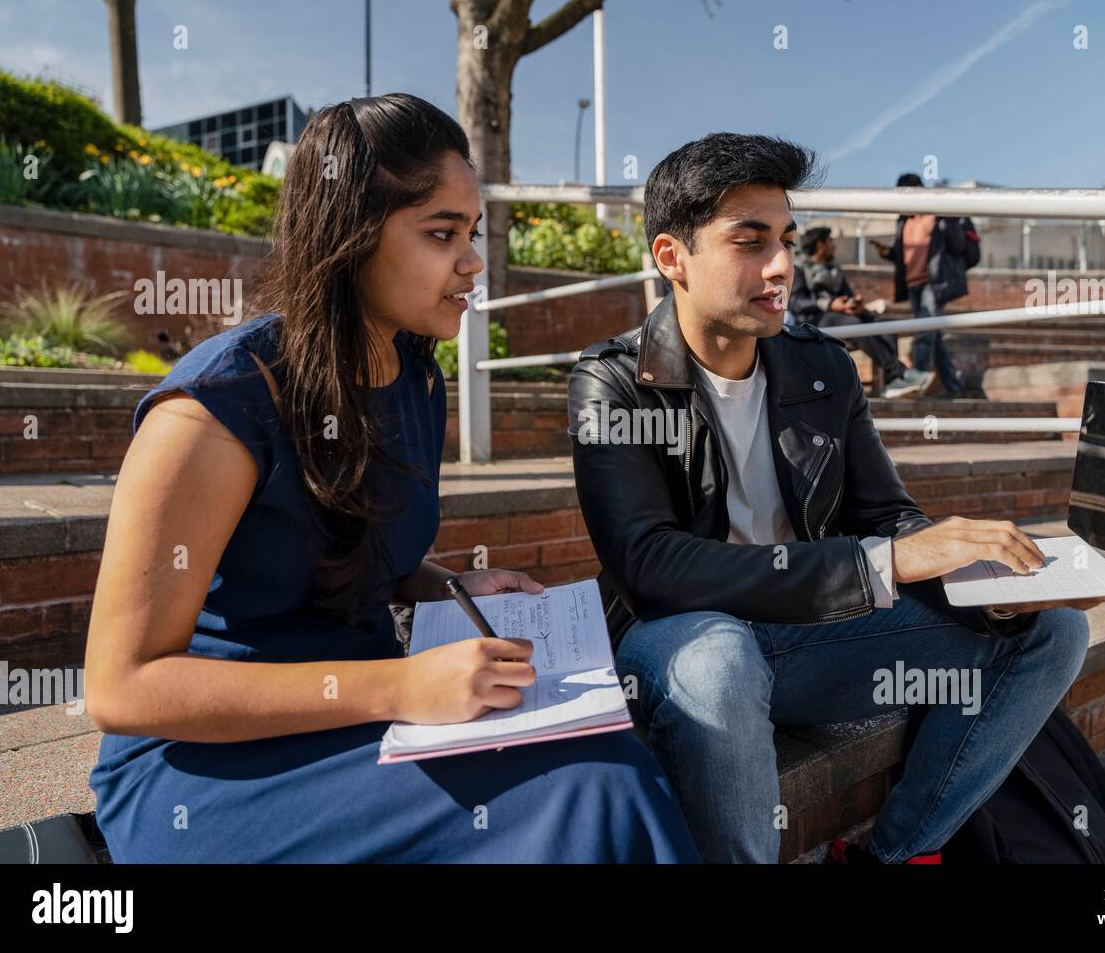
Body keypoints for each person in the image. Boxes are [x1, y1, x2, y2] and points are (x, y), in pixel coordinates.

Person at [84, 94, 700, 864]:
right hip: (211, 766)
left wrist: (446, 586)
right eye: (441, 233)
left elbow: (355, 552)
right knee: (593, 791)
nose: (472, 261)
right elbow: (124, 687)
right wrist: (397, 689)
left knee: (611, 765)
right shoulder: (214, 409)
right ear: (346, 239)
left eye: (471, 232)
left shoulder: (413, 374)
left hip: (364, 715)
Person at [567, 133, 1105, 864]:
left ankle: (896, 854)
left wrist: (988, 587)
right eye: (749, 242)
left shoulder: (822, 368)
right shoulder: (614, 381)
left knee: (1050, 630)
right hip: (680, 643)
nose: (780, 265)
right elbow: (647, 564)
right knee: (719, 661)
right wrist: (881, 562)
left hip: (809, 638)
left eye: (784, 239)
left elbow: (888, 519)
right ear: (671, 258)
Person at [789, 226, 933, 398]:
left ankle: (893, 382)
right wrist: (830, 304)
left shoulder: (834, 270)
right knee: (858, 327)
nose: (834, 246)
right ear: (820, 245)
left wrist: (855, 305)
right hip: (814, 320)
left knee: (886, 326)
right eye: (830, 242)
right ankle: (900, 373)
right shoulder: (798, 269)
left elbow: (847, 295)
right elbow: (796, 302)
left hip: (842, 316)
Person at [872, 173, 970, 399]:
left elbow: (957, 245)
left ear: (916, 190)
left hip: (933, 283)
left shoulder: (937, 214)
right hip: (913, 284)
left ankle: (918, 376)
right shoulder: (904, 220)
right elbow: (904, 253)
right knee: (933, 334)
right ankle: (953, 386)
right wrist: (889, 253)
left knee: (926, 330)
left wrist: (951, 218)